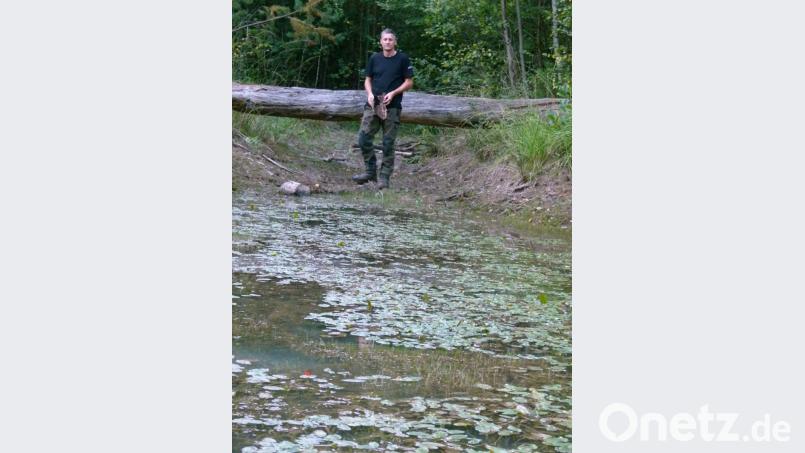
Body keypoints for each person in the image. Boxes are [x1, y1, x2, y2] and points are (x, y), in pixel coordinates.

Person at [352, 28, 414, 190]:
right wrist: (370, 94)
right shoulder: (374, 58)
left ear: (395, 42)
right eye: (385, 39)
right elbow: (367, 79)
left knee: (388, 143)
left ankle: (384, 177)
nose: (387, 42)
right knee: (363, 139)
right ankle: (370, 172)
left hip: (392, 107)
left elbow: (409, 82)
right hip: (372, 105)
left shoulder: (402, 59)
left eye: (390, 40)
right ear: (380, 41)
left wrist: (393, 93)